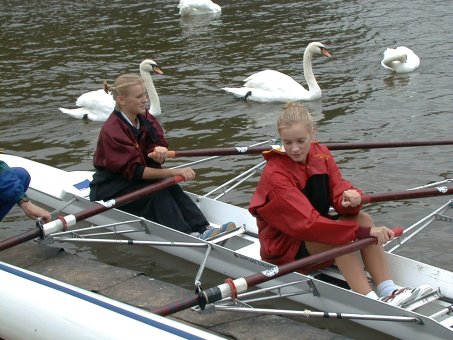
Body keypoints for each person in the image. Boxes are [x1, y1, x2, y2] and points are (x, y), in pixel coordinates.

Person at [248, 103, 432, 307]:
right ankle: (368, 299)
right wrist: (363, 233)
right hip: (283, 248)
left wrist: (350, 199)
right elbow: (307, 223)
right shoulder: (275, 174)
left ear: (313, 134)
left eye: (301, 141)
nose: (295, 149)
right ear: (280, 139)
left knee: (363, 218)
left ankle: (388, 289)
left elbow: (338, 189)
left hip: (314, 235)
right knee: (341, 236)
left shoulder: (322, 154)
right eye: (287, 142)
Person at [89, 72, 234, 240]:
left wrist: (159, 153)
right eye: (139, 96)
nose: (145, 99)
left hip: (136, 180)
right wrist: (172, 172)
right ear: (121, 100)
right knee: (158, 192)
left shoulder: (145, 117)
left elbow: (157, 143)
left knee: (170, 185)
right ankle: (186, 235)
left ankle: (202, 227)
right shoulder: (112, 130)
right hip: (113, 188)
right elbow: (135, 171)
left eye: (144, 94)